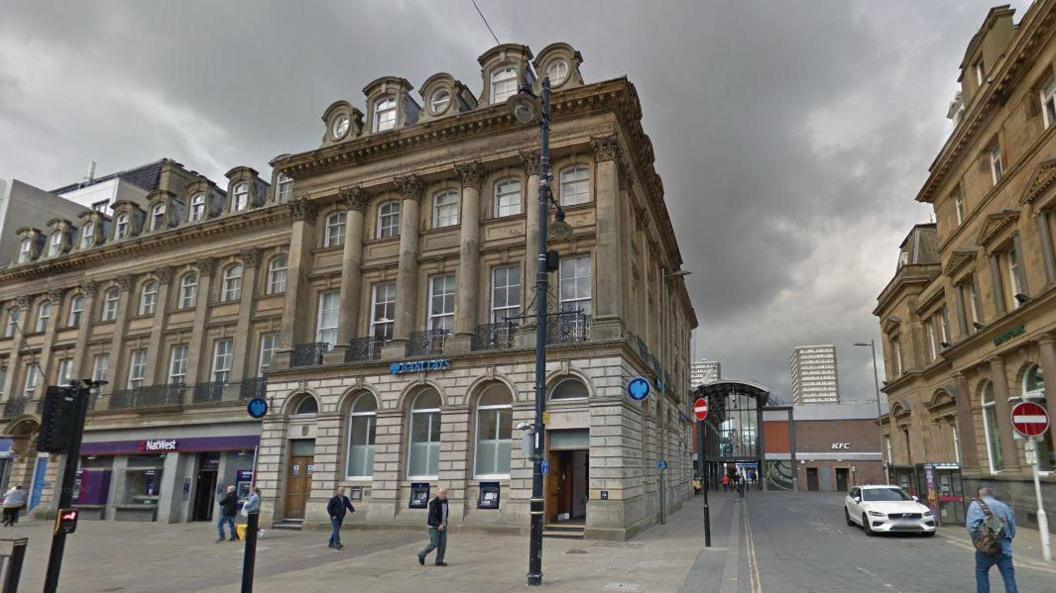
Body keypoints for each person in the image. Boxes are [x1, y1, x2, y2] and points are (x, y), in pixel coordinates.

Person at [966, 486, 1018, 593]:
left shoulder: (975, 505)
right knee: (1009, 578)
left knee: (982, 572)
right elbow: (1012, 529)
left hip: (986, 547)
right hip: (1005, 548)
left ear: (979, 494)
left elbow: (971, 528)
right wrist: (1004, 540)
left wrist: (980, 540)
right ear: (992, 495)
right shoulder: (1004, 507)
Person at [417, 487, 449, 567]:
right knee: (434, 543)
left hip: (443, 525)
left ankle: (439, 560)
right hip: (434, 526)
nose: (443, 495)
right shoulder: (433, 502)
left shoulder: (445, 502)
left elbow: (445, 513)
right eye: (442, 493)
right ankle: (421, 554)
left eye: (445, 493)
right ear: (437, 494)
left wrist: (444, 524)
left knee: (442, 544)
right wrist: (438, 525)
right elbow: (432, 515)